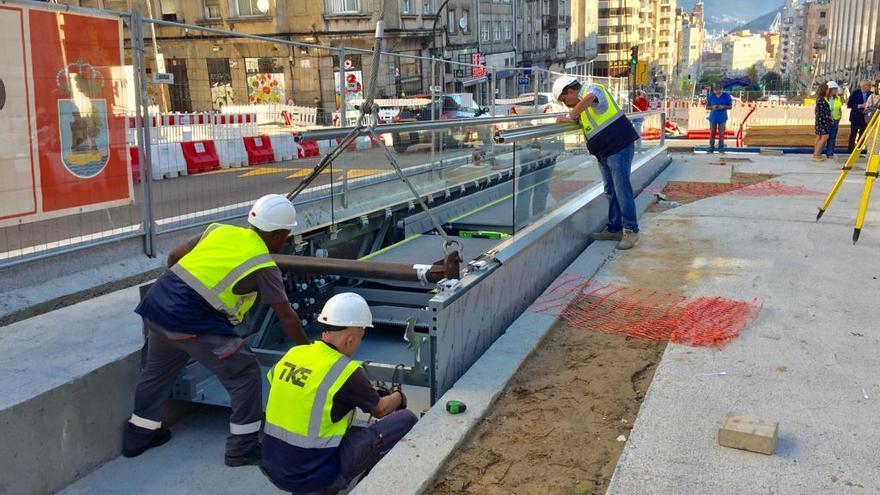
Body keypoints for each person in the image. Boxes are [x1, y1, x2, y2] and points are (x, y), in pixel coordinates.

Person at [123, 194, 309, 466]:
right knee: (245, 373)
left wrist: (180, 294)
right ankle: (242, 449)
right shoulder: (263, 265)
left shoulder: (219, 231)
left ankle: (138, 436)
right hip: (193, 321)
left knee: (157, 372)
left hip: (158, 305)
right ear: (280, 234)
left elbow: (174, 256)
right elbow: (286, 315)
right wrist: (308, 352)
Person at [261, 293, 418, 494]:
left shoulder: (294, 353)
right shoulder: (345, 371)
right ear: (350, 339)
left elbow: (294, 389)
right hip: (314, 476)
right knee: (405, 419)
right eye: (360, 338)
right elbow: (380, 410)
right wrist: (399, 397)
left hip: (274, 465)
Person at [553, 75, 641, 250]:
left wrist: (570, 115)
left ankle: (631, 231)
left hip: (618, 146)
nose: (566, 103)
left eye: (564, 99)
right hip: (605, 152)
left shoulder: (592, 89)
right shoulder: (583, 107)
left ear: (570, 91)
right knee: (611, 191)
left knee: (622, 190)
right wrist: (573, 117)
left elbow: (592, 98)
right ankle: (615, 228)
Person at [847, 80, 873, 153]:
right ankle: (850, 150)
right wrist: (860, 105)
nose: (870, 87)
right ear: (864, 86)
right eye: (869, 85)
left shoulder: (871, 94)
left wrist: (867, 106)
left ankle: (858, 150)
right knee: (853, 134)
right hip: (855, 117)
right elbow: (849, 104)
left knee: (862, 134)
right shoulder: (855, 93)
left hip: (865, 117)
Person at [706, 84, 733, 153]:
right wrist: (712, 107)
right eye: (715, 90)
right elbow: (707, 107)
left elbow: (730, 106)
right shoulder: (711, 96)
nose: (717, 92)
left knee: (721, 133)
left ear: (721, 90)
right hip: (713, 117)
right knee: (712, 133)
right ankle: (711, 147)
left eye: (718, 90)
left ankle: (721, 148)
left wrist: (723, 107)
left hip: (722, 117)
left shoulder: (726, 96)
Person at [814, 83, 833, 162]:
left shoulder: (820, 99)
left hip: (820, 121)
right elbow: (822, 113)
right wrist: (829, 118)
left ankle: (816, 153)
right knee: (824, 137)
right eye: (827, 89)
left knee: (819, 137)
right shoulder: (821, 100)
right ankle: (816, 154)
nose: (828, 91)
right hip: (823, 122)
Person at [825, 81, 843, 158]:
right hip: (827, 120)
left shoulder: (837, 98)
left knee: (832, 137)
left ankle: (830, 153)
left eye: (836, 89)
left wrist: (840, 115)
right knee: (825, 137)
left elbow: (839, 108)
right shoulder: (825, 99)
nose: (836, 91)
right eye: (834, 89)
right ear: (830, 89)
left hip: (835, 120)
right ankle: (821, 152)